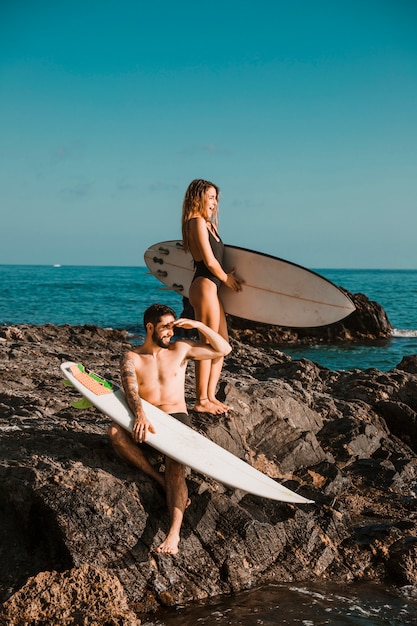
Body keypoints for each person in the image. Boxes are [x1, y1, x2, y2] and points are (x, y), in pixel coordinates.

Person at [108, 303, 231, 555]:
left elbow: (224, 348)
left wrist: (198, 325)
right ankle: (159, 479)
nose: (170, 333)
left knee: (176, 466)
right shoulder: (131, 357)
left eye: (173, 328)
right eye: (165, 327)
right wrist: (140, 413)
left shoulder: (181, 350)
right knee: (114, 434)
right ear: (150, 327)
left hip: (176, 419)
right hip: (149, 419)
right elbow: (130, 388)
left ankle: (173, 536)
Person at [181, 179, 243, 415]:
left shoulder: (210, 225)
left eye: (216, 198)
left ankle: (210, 395)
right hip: (205, 286)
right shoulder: (196, 222)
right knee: (207, 344)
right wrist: (227, 279)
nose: (214, 203)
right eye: (210, 197)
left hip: (212, 288)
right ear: (198, 198)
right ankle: (201, 400)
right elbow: (208, 261)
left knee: (222, 345)